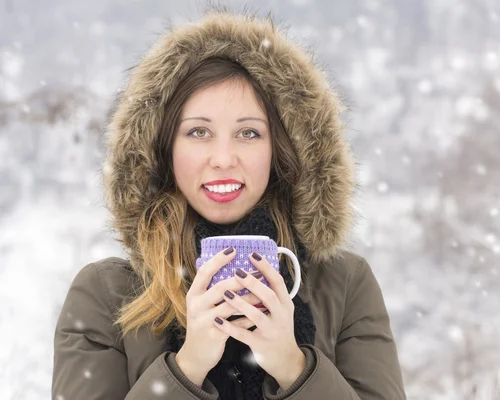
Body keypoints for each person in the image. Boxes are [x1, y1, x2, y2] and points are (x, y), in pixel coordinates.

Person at [52, 9, 406, 400]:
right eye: (199, 132)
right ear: (163, 149)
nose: (223, 157)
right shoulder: (106, 295)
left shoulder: (344, 284)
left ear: (282, 150)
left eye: (249, 133)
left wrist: (293, 366)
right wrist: (187, 368)